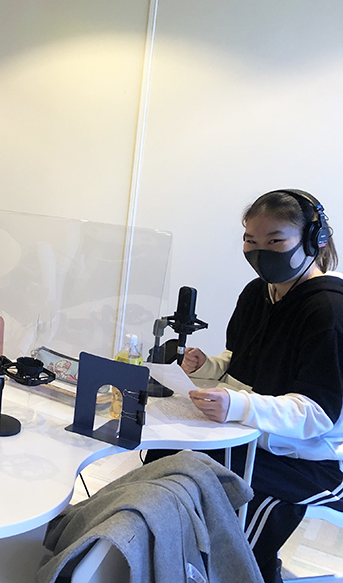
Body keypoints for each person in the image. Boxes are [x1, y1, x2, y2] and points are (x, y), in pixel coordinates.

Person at [159, 189, 343, 583]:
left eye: (275, 241)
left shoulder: (329, 309)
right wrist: (208, 367)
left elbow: (318, 414)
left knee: (233, 493)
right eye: (251, 241)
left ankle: (249, 571)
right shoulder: (257, 294)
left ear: (315, 239)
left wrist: (239, 406)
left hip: (311, 459)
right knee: (164, 456)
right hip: (249, 437)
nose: (261, 253)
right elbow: (240, 360)